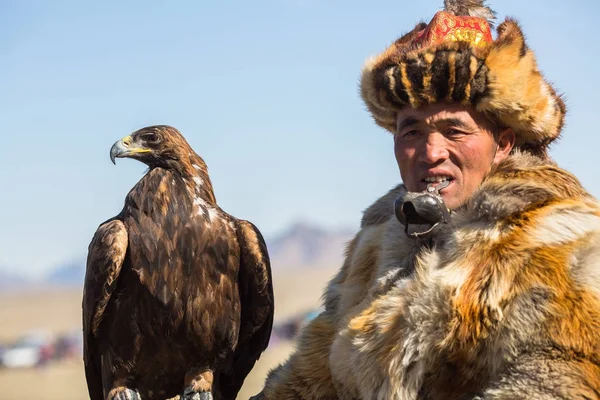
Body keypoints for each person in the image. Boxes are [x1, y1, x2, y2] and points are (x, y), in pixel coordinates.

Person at [253, 1, 600, 399]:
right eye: (412, 131)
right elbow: (310, 381)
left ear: (502, 143)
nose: (431, 151)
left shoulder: (564, 251)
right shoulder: (379, 240)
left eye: (454, 130)